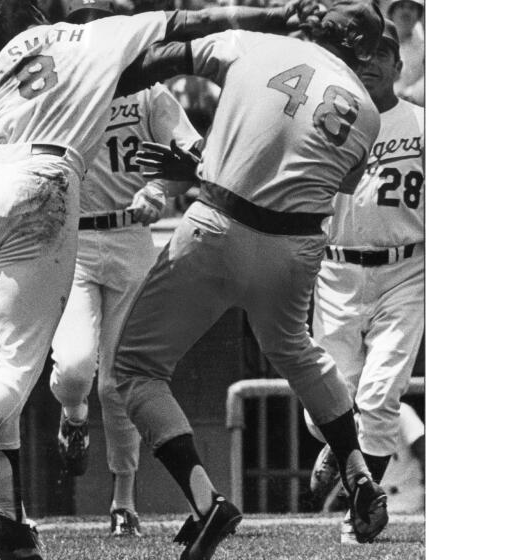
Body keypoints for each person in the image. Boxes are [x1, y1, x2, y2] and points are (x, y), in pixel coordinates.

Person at [0, 2, 318, 559]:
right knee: (32, 365)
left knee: (3, 365)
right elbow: (186, 23)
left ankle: (9, 515)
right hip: (46, 193)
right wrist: (277, 14)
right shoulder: (90, 38)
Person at [111, 1, 392, 556]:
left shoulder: (254, 44)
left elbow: (166, 59)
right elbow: (305, 177)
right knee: (296, 351)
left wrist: (112, 79)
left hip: (215, 227)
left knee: (136, 370)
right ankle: (358, 471)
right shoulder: (367, 111)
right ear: (361, 50)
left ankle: (206, 500)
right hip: (293, 249)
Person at [47, 0, 203, 538]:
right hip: (73, 240)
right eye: (84, 19)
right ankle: (71, 419)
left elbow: (194, 153)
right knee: (73, 367)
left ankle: (123, 499)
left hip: (131, 237)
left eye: (102, 19)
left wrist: (159, 187)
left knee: (119, 382)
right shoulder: (55, 90)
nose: (94, 29)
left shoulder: (149, 91)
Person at [304, 18, 424, 544]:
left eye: (383, 53)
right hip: (335, 270)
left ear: (399, 64)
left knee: (379, 397)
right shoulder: (325, 120)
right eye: (363, 54)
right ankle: (338, 443)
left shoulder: (424, 124)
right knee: (322, 405)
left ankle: (363, 508)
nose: (371, 62)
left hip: (407, 269)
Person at [384, 0, 423, 105]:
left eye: (411, 8)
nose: (406, 11)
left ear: (419, 15)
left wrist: (412, 93)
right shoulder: (377, 41)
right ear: (392, 13)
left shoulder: (424, 47)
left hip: (412, 106)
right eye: (401, 6)